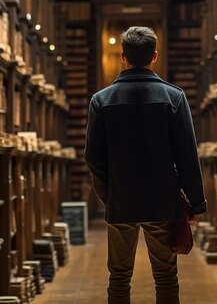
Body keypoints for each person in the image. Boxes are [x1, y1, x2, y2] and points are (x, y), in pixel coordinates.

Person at [84, 26, 207, 304]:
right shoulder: (174, 97)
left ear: (123, 57)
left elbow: (93, 157)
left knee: (118, 277)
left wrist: (109, 196)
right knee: (165, 276)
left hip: (121, 201)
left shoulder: (101, 100)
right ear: (154, 56)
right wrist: (197, 203)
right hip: (163, 203)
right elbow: (187, 155)